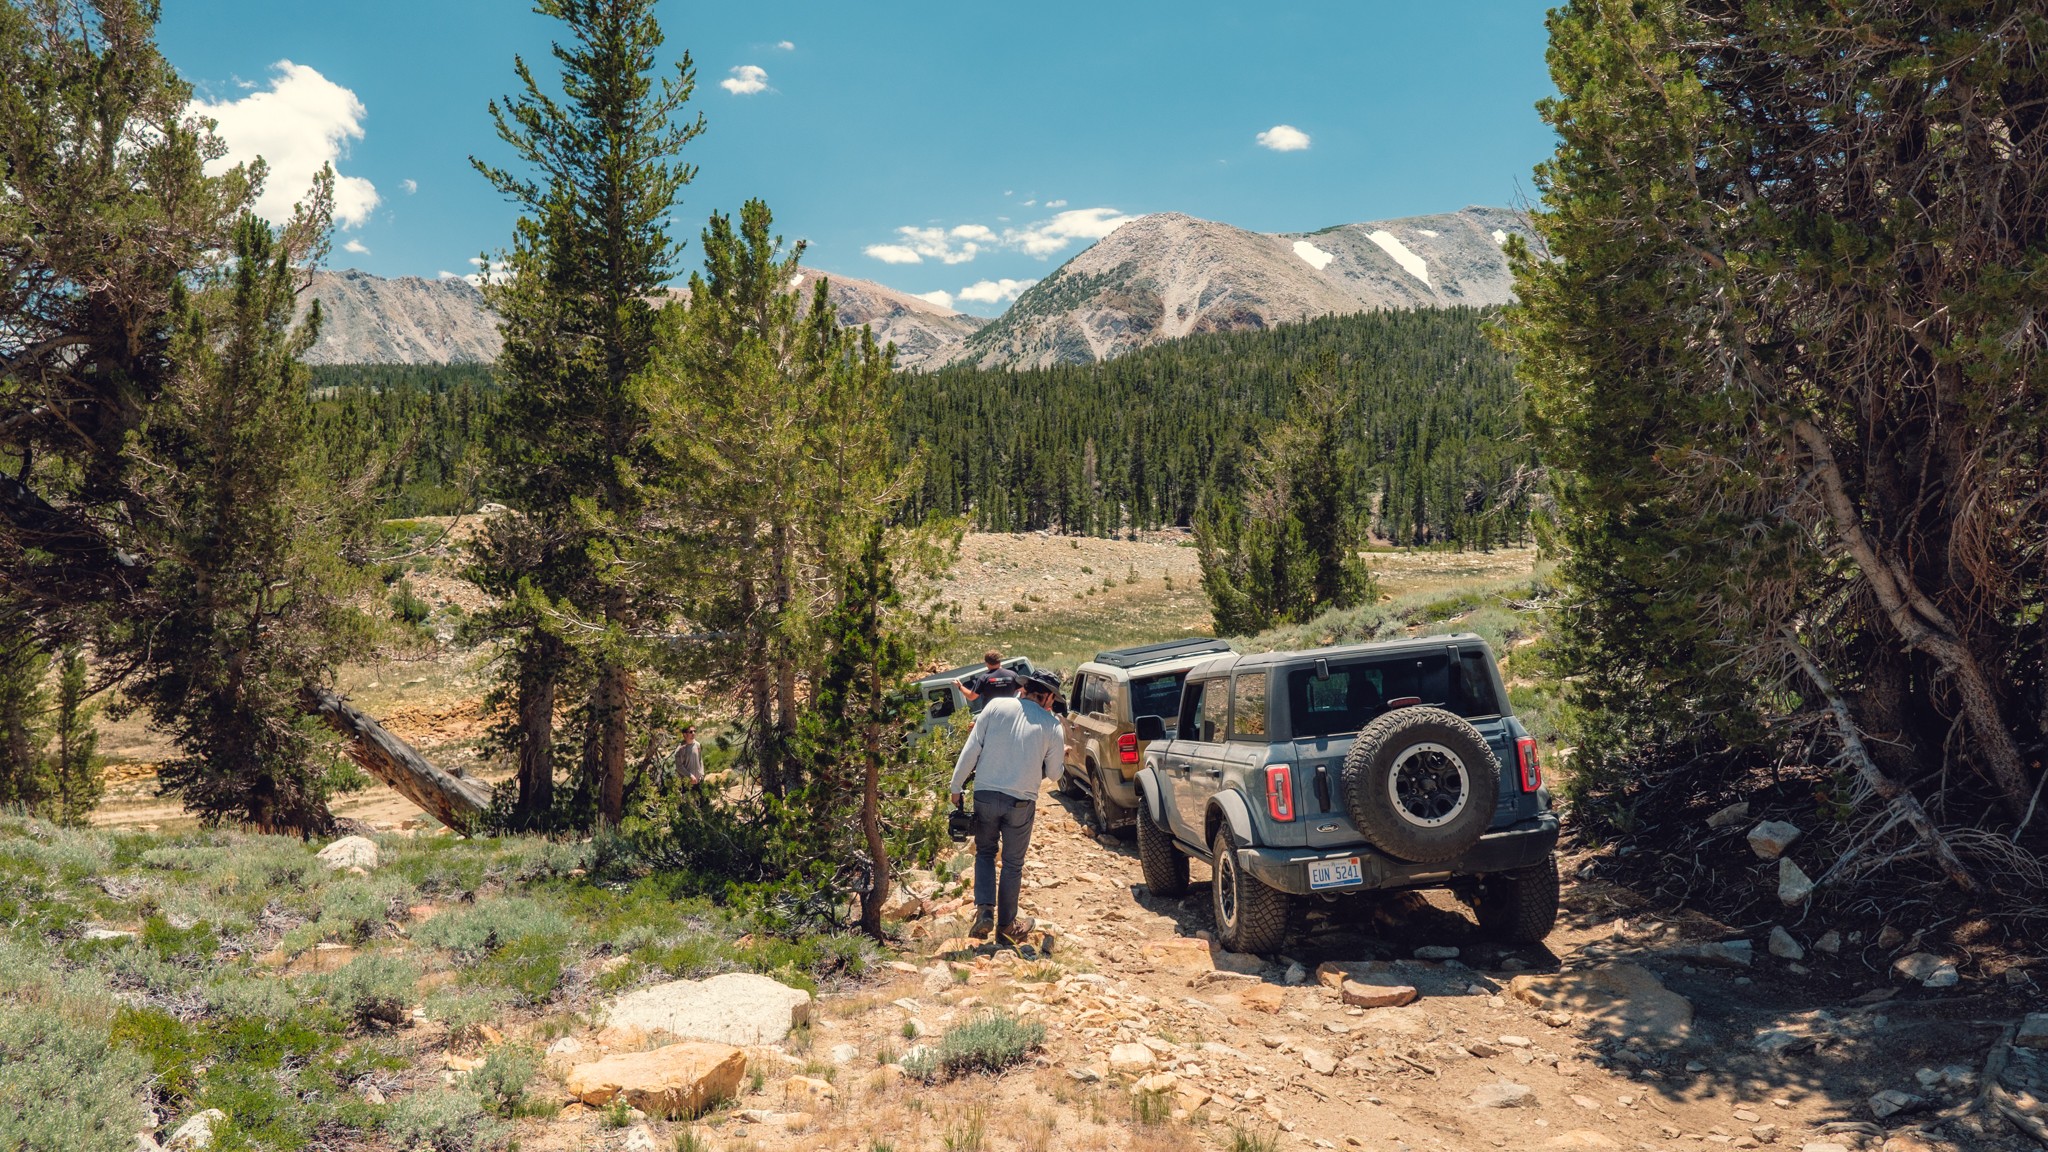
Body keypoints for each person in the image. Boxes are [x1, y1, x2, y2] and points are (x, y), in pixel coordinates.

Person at [949, 668, 1062, 945]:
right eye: (1053, 698)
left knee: (985, 852)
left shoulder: (996, 706)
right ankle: (1007, 926)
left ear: (1026, 687)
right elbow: (1056, 774)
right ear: (1046, 696)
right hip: (1021, 801)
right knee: (1013, 864)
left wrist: (956, 786)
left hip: (985, 794)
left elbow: (972, 748)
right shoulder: (1052, 725)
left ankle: (985, 910)